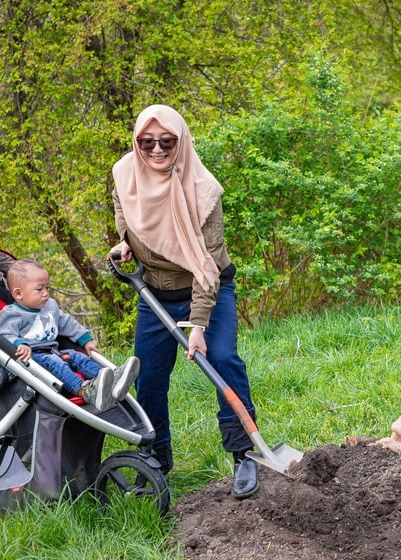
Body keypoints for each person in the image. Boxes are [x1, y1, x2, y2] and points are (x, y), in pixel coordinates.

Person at [109, 104, 260, 499]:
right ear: (136, 142)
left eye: (167, 141)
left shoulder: (204, 190)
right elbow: (123, 211)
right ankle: (156, 460)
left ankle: (245, 454)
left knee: (223, 360)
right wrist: (124, 244)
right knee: (149, 380)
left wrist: (197, 326)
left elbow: (205, 267)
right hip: (154, 294)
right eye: (147, 141)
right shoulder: (125, 173)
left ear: (182, 141)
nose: (156, 149)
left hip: (210, 288)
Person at [0, 258, 139, 412]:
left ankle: (110, 380)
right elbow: (3, 334)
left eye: (47, 288)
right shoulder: (11, 313)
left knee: (79, 357)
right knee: (57, 364)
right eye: (39, 289)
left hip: (54, 350)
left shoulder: (50, 306)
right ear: (18, 293)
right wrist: (19, 344)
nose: (46, 294)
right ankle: (85, 391)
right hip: (33, 357)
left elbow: (66, 323)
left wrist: (86, 339)